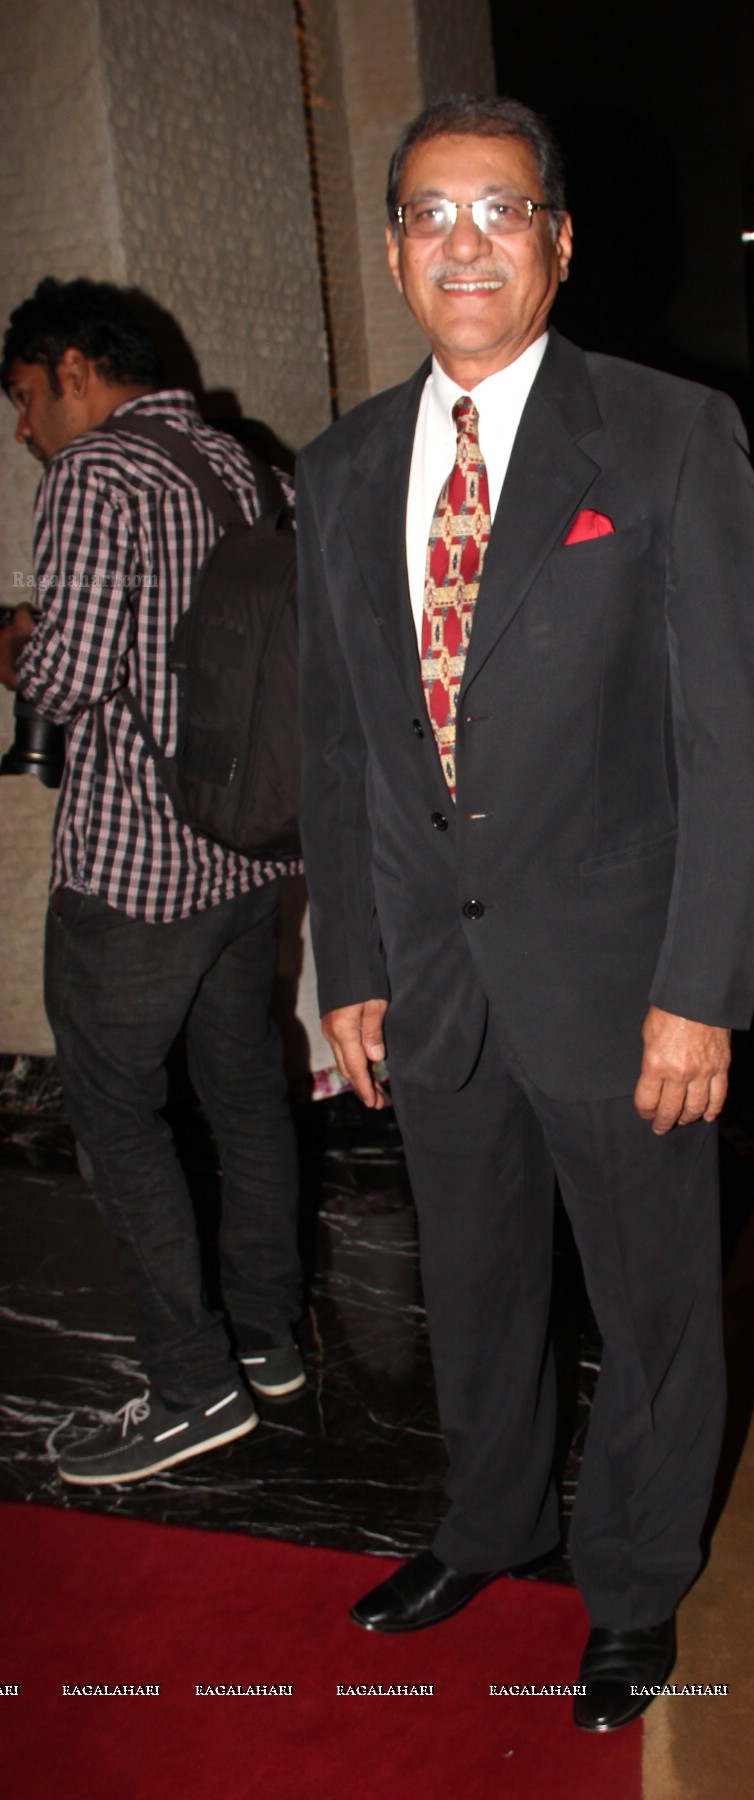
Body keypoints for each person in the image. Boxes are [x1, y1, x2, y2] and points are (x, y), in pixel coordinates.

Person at [295, 95, 754, 1732]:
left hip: (623, 980)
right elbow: (345, 740)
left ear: (556, 244)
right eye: (430, 214)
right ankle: (489, 1522)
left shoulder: (663, 438)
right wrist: (353, 964)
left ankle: (633, 1585)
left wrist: (704, 987)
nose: (462, 243)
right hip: (434, 982)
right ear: (392, 249)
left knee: (652, 1310)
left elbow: (739, 737)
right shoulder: (349, 463)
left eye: (498, 212)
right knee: (481, 1277)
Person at [0, 279, 303, 1480]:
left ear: (75, 368)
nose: (25, 430)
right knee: (243, 1099)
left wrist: (16, 647)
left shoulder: (95, 475)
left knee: (117, 1120)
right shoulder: (241, 463)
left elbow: (67, 682)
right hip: (244, 853)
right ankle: (269, 1338)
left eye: (25, 399)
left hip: (134, 870)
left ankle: (190, 1387)